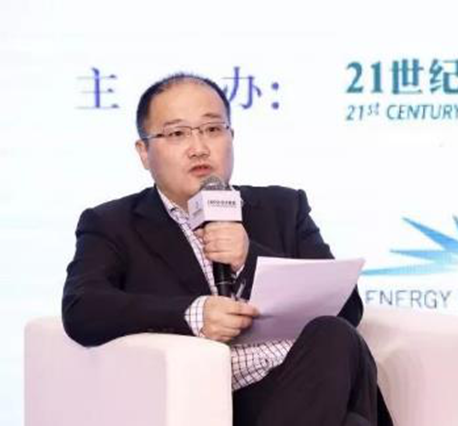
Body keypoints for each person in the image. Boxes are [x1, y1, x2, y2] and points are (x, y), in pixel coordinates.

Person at [62, 72, 393, 426]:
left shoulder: (283, 208)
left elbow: (346, 308)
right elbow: (83, 309)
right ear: (144, 152)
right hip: (221, 403)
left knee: (335, 335)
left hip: (310, 379)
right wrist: (193, 314)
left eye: (212, 129)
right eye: (177, 133)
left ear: (231, 137)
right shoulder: (113, 223)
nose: (199, 147)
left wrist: (250, 257)